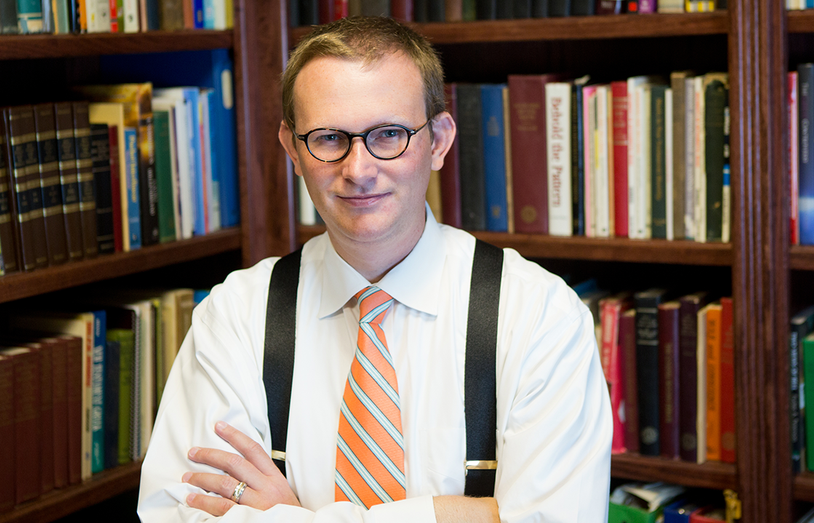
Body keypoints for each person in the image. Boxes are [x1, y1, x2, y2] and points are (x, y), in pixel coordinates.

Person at [137, 16, 612, 523]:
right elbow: (177, 511)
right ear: (292, 150)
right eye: (328, 138)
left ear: (440, 141)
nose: (358, 170)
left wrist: (289, 516)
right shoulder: (236, 316)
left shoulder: (539, 314)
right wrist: (465, 514)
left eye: (389, 134)